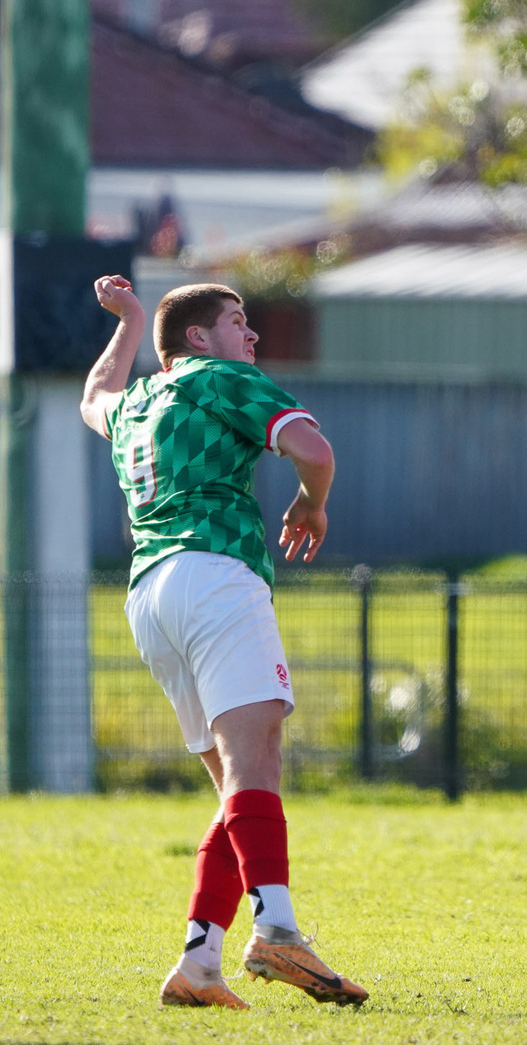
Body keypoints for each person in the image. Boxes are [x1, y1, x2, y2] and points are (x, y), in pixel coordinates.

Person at [78, 278, 366, 1009]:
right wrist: (312, 500)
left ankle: (199, 964)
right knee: (256, 763)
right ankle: (277, 930)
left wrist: (131, 322)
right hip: (215, 577)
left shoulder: (139, 402)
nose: (253, 337)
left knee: (237, 786)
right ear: (200, 339)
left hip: (150, 596)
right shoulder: (224, 377)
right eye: (238, 321)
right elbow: (314, 449)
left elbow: (94, 393)